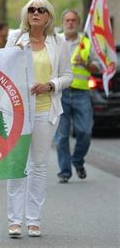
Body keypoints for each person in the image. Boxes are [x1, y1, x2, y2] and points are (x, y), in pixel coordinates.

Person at [5, 0, 72, 238]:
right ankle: (14, 220)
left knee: (39, 165)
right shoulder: (15, 38)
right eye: (31, 9)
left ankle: (33, 220)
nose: (35, 12)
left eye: (40, 9)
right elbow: (3, 68)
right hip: (19, 111)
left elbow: (67, 76)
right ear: (26, 14)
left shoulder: (58, 41)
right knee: (17, 165)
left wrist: (51, 85)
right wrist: (15, 54)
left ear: (48, 16)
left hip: (46, 110)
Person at [53, 10, 100, 184]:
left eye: (74, 20)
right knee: (62, 136)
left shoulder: (87, 42)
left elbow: (98, 68)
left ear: (79, 23)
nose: (70, 23)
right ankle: (64, 172)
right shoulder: (55, 41)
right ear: (63, 22)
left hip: (81, 93)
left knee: (85, 132)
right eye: (67, 20)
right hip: (61, 93)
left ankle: (78, 161)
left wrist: (85, 63)